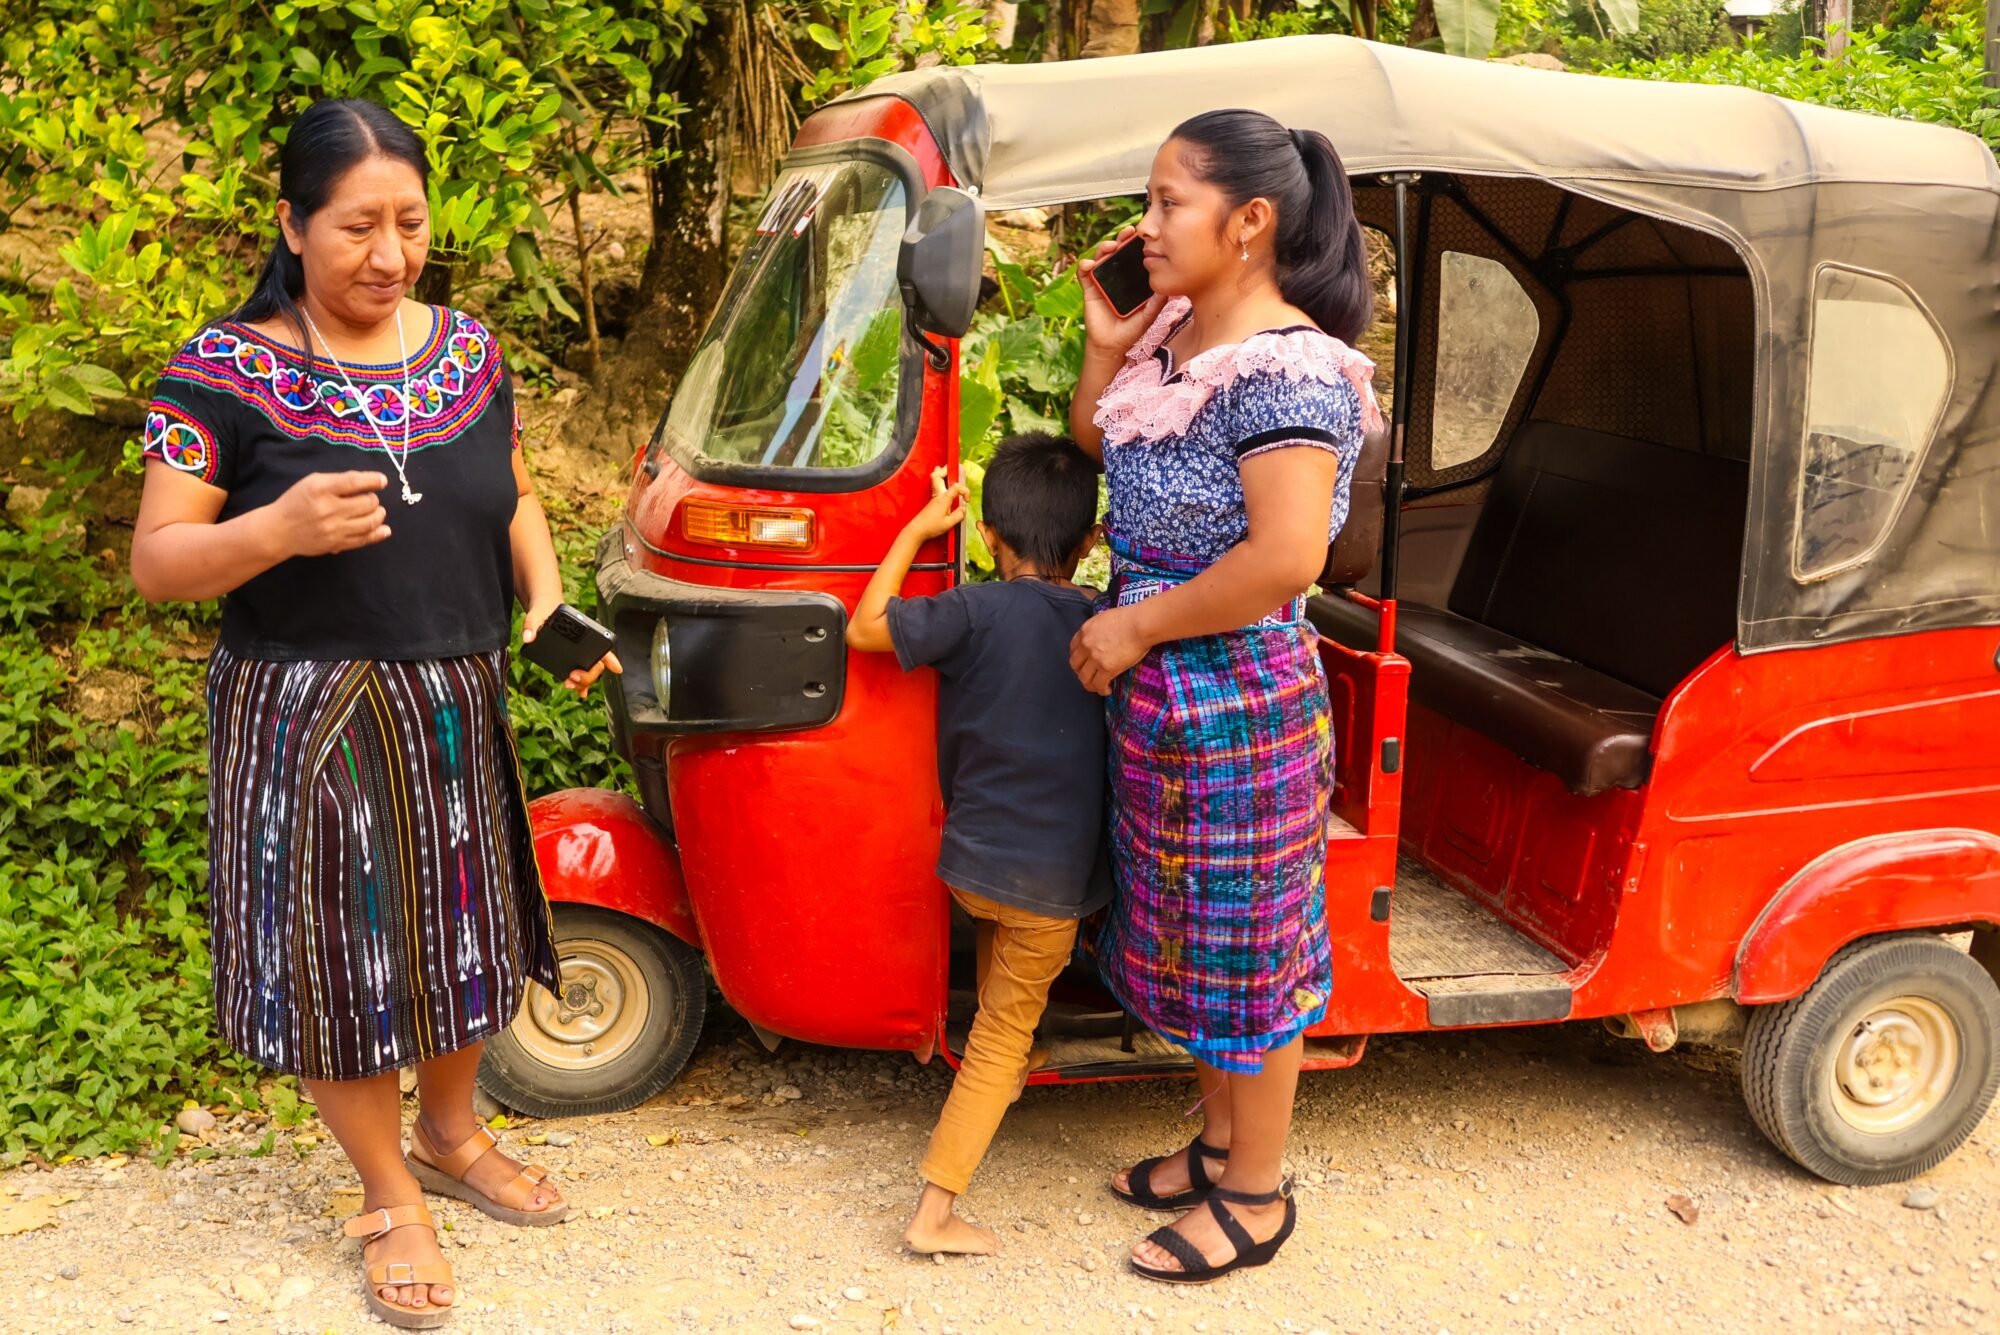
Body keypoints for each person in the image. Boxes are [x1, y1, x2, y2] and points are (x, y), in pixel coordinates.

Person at [128, 99, 619, 1330]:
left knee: (461, 934)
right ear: (293, 225)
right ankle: (389, 1189)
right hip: (305, 707)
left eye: (409, 222)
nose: (389, 253)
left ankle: (453, 1132)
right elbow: (158, 562)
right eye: (357, 226)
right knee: (343, 963)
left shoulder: (470, 351)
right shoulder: (220, 369)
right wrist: (272, 531)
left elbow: (509, 495)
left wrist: (547, 603)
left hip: (452, 690)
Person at [1066, 108, 1382, 1283]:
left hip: (1236, 692)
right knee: (1193, 933)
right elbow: (1102, 450)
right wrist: (1107, 346)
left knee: (1247, 944)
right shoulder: (1177, 340)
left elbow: (1285, 557)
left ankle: (1256, 1192)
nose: (1143, 229)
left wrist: (1135, 623)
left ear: (1247, 222)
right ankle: (1213, 1145)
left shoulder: (1288, 367)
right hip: (1157, 681)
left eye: (1164, 204)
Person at [845, 434, 1111, 1256]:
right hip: (1050, 878)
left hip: (971, 863)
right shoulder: (1109, 625)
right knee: (1004, 1030)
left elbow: (865, 629)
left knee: (1005, 992)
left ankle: (998, 1087)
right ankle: (934, 1212)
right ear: (1089, 543)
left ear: (989, 534)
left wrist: (921, 528)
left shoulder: (971, 609)